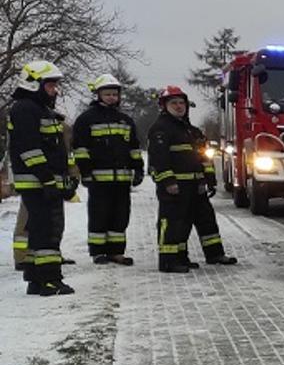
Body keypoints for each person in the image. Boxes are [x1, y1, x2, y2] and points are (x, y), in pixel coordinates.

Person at [148, 86, 235, 272]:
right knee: (173, 222)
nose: (179, 106)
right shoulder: (160, 129)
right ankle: (169, 261)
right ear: (164, 106)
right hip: (176, 186)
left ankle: (214, 254)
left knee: (206, 220)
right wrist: (168, 182)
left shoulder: (192, 131)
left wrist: (209, 179)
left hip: (196, 186)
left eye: (182, 103)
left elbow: (205, 157)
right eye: (174, 103)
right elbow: (158, 159)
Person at [6, 60, 74, 295]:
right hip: (37, 181)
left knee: (40, 229)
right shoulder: (25, 108)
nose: (54, 90)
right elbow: (30, 150)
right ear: (34, 84)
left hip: (42, 180)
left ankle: (36, 279)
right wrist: (47, 178)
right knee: (47, 230)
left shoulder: (40, 109)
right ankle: (49, 280)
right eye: (50, 85)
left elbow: (56, 150)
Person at [72, 74, 142, 265]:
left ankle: (116, 252)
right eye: (107, 93)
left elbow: (134, 148)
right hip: (98, 180)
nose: (111, 97)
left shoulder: (125, 120)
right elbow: (80, 149)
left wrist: (139, 169)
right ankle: (98, 251)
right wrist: (86, 172)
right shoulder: (86, 119)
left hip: (122, 180)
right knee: (99, 215)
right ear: (98, 95)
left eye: (114, 94)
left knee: (121, 216)